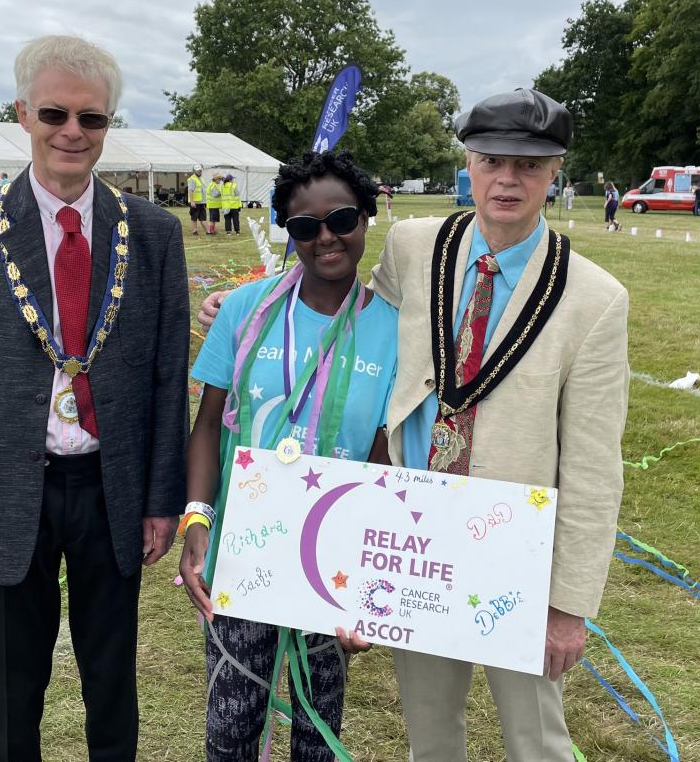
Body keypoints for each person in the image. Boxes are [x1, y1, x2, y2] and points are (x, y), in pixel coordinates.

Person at [198, 89, 629, 762]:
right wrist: (251, 303)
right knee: (429, 735)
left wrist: (569, 603)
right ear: (468, 164)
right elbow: (343, 303)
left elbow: (595, 465)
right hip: (414, 536)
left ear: (556, 172)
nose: (507, 179)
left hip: (511, 548)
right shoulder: (413, 244)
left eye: (529, 165)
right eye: (490, 160)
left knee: (536, 738)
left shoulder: (595, 299)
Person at [0, 35, 189, 762]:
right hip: (12, 491)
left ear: (109, 124)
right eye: (54, 112)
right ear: (23, 114)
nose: (72, 131)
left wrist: (162, 499)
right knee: (12, 686)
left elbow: (170, 377)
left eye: (91, 118)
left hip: (111, 488)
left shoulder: (156, 234)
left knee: (112, 680)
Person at [180, 151, 397, 761]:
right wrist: (198, 518)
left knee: (317, 731)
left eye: (341, 219)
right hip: (243, 547)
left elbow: (383, 458)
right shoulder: (244, 311)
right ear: (288, 231)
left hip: (334, 555)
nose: (325, 236)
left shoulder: (392, 328)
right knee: (230, 727)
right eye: (305, 226)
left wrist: (373, 578)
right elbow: (206, 424)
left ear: (365, 219)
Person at [188, 163, 207, 235]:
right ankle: (194, 231)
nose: (200, 172)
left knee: (203, 218)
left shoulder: (201, 178)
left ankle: (208, 231)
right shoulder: (192, 179)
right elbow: (190, 190)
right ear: (194, 171)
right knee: (194, 217)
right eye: (198, 171)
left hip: (201, 202)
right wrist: (192, 201)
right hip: (195, 202)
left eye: (200, 171)